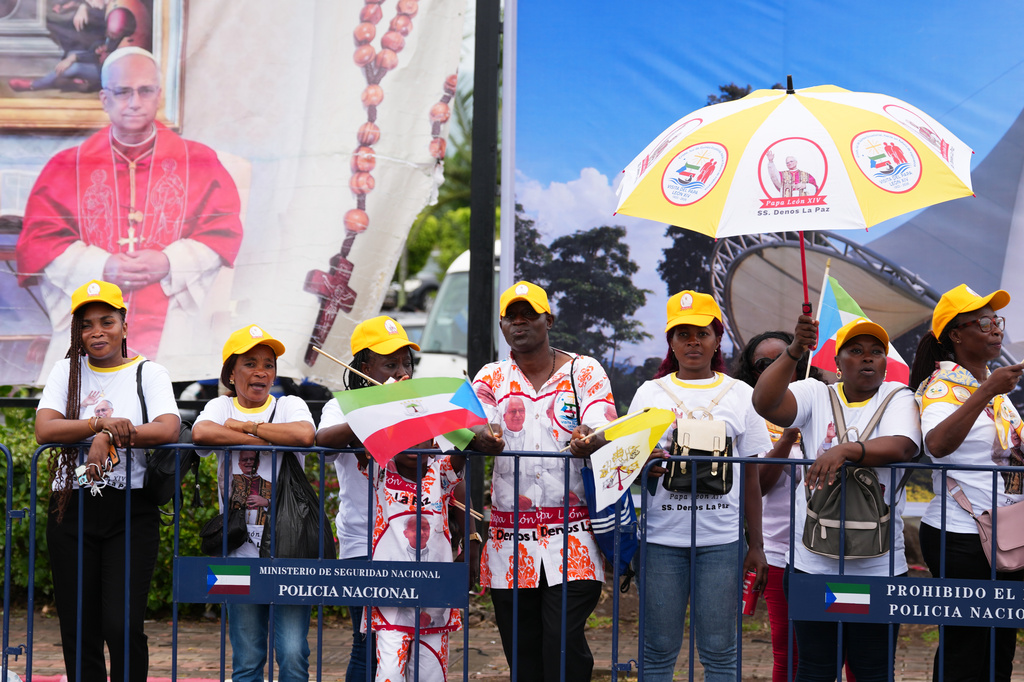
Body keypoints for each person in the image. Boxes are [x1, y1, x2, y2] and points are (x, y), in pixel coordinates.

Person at [16, 46, 244, 380]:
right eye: (123, 92)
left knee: (167, 406)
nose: (134, 101)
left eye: (145, 90)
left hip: (172, 328)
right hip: (89, 318)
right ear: (104, 98)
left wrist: (168, 263)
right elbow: (40, 240)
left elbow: (221, 230)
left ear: (158, 95)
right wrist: (101, 266)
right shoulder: (67, 166)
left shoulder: (199, 161)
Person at [753, 316, 920, 682]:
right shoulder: (816, 393)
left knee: (872, 670)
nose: (867, 359)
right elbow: (765, 403)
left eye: (877, 352)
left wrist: (845, 450)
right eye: (856, 351)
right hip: (812, 564)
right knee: (815, 667)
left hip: (878, 569)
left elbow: (904, 446)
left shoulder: (899, 396)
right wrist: (794, 351)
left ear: (886, 362)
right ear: (838, 362)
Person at [469, 280, 616, 682]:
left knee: (563, 644)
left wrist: (592, 435)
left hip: (573, 536)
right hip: (509, 541)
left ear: (548, 320)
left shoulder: (582, 370)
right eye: (511, 316)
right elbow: (472, 425)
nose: (520, 322)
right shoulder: (491, 377)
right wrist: (480, 436)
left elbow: (605, 423)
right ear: (502, 326)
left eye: (529, 314)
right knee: (523, 653)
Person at [35, 279, 180, 682]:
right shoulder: (67, 370)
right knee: (79, 628)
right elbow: (45, 429)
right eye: (86, 325)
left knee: (121, 624)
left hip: (130, 510)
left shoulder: (148, 372)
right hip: (71, 507)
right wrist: (99, 422)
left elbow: (168, 427)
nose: (97, 332)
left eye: (106, 321)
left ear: (124, 324)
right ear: (77, 333)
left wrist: (107, 436)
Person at [629, 291, 770, 682]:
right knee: (657, 649)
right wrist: (647, 465)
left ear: (717, 339)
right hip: (661, 540)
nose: (693, 342)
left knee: (721, 651)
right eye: (683, 334)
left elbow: (752, 477)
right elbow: (628, 463)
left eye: (702, 333)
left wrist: (755, 545)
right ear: (671, 342)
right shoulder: (649, 393)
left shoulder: (742, 395)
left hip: (721, 543)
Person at [910, 284, 1024, 682]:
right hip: (960, 534)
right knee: (966, 646)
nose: (996, 330)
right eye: (984, 322)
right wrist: (987, 391)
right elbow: (937, 445)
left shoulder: (993, 386)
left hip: (1003, 530)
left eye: (997, 321)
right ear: (956, 335)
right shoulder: (943, 388)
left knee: (999, 644)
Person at [192, 324, 316, 682]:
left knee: (293, 655)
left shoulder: (290, 404)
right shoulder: (218, 405)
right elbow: (202, 433)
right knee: (246, 658)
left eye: (268, 363)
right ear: (232, 373)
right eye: (250, 363)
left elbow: (304, 435)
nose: (261, 371)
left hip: (290, 552)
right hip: (235, 554)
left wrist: (250, 428)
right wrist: (254, 429)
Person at [315, 315, 419, 681]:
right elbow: (323, 441)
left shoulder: (415, 405)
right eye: (390, 364)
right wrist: (375, 409)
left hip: (410, 544)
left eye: (406, 363)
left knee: (408, 645)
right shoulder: (341, 405)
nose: (402, 371)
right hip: (362, 544)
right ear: (363, 367)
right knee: (368, 645)